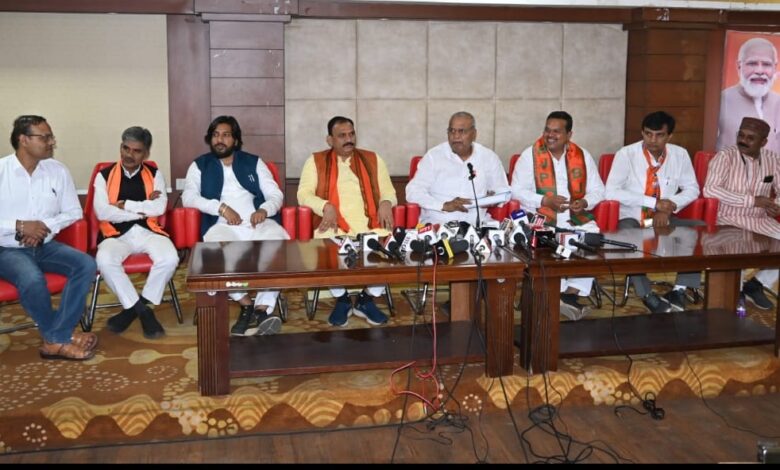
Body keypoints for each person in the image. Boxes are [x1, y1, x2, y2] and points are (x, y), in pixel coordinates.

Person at [0, 115, 97, 360]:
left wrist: (42, 227)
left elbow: (73, 212)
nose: (51, 142)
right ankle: (61, 337)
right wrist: (20, 226)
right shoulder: (1, 171)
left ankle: (56, 337)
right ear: (23, 139)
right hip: (6, 248)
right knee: (32, 279)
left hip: (45, 244)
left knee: (85, 264)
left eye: (50, 137)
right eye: (44, 137)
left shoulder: (57, 170)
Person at [182, 116, 289, 336]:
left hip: (257, 222)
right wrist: (220, 208)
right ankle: (246, 303)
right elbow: (189, 198)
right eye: (215, 135)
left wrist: (264, 210)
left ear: (236, 140)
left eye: (226, 135)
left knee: (279, 241)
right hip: (223, 225)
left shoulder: (254, 162)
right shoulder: (199, 165)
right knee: (214, 250)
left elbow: (275, 194)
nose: (219, 140)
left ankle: (262, 308)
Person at [297, 116, 396, 328]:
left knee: (390, 251)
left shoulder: (373, 159)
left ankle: (366, 300)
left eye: (351, 134)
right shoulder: (315, 161)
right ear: (329, 140)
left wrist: (387, 202)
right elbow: (303, 194)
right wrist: (325, 206)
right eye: (342, 136)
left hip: (371, 225)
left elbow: (388, 190)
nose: (348, 139)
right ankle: (342, 299)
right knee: (325, 250)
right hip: (334, 226)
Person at [605, 111, 703, 314]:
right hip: (632, 217)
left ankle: (679, 290)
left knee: (698, 230)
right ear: (642, 132)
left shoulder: (680, 154)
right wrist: (654, 204)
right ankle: (647, 295)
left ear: (669, 136)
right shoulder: (626, 154)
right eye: (648, 134)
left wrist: (670, 206)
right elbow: (611, 191)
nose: (652, 140)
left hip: (665, 218)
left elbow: (692, 189)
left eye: (659, 135)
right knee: (629, 237)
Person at [510, 111, 604, 320]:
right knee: (548, 243)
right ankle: (558, 293)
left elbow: (599, 190)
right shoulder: (530, 155)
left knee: (592, 240)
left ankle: (570, 293)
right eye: (547, 130)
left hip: (575, 218)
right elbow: (515, 190)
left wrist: (584, 202)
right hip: (541, 217)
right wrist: (544, 200)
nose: (550, 135)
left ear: (569, 134)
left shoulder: (582, 155)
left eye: (556, 131)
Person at [93, 126, 177, 339]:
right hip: (115, 234)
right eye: (125, 148)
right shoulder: (104, 176)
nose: (129, 155)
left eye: (136, 151)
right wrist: (142, 209)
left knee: (170, 258)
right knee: (104, 260)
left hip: (149, 232)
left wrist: (124, 205)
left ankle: (133, 310)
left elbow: (159, 208)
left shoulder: (155, 175)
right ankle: (143, 311)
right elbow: (103, 212)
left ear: (146, 154)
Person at [704, 116, 780, 310]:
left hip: (761, 220)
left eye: (750, 138)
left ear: (763, 142)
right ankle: (734, 291)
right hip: (729, 219)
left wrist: (776, 205)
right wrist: (752, 201)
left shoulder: (773, 159)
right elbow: (710, 190)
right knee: (739, 249)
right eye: (741, 135)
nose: (743, 140)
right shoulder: (725, 156)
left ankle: (757, 284)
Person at [406, 111, 510, 227]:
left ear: (474, 134)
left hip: (477, 225)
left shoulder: (489, 157)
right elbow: (413, 191)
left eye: (462, 131)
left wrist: (493, 200)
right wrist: (443, 205)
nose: (455, 136)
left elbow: (504, 191)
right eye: (452, 131)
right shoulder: (433, 157)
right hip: (438, 224)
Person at [717, 37, 780, 155]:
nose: (759, 71)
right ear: (739, 66)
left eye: (766, 64)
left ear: (774, 67)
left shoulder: (778, 102)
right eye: (752, 63)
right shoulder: (722, 100)